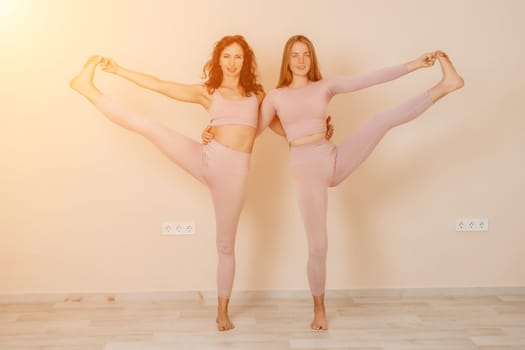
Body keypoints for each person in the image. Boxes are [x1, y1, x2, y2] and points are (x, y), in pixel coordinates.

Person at [254, 35, 464, 330]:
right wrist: (217, 130)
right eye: (295, 55)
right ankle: (319, 311)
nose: (301, 61)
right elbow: (253, 128)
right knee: (318, 246)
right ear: (286, 60)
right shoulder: (275, 96)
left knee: (380, 120)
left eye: (306, 55)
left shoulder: (324, 87)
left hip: (333, 159)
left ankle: (446, 85)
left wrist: (415, 64)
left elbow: (369, 79)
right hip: (305, 170)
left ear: (312, 58)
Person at [70, 35, 270, 331]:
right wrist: (118, 70)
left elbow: (276, 122)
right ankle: (87, 89)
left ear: (246, 61)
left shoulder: (258, 95)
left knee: (225, 245)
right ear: (219, 60)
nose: (231, 63)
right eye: (226, 56)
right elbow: (160, 85)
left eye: (237, 57)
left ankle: (222, 312)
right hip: (205, 157)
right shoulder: (208, 92)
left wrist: (319, 130)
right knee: (149, 126)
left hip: (233, 175)